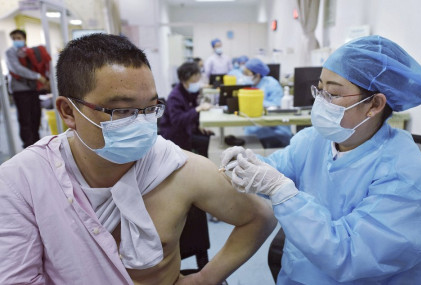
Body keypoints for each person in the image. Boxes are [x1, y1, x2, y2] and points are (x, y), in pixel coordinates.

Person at [0, 33, 277, 285]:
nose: (142, 124)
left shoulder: (176, 168)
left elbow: (260, 216)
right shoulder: (23, 181)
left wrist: (204, 279)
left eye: (151, 108)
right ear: (68, 112)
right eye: (121, 111)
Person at [221, 35, 421, 284]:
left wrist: (282, 192)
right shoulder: (314, 140)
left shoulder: (404, 175)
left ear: (374, 104)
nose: (320, 101)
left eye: (333, 94)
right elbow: (278, 169)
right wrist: (248, 165)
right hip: (308, 271)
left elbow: (350, 255)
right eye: (319, 89)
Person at [159, 61, 214, 157]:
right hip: (175, 136)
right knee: (208, 143)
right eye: (194, 82)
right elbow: (177, 121)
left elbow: (190, 113)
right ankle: (203, 167)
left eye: (198, 80)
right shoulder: (175, 97)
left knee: (211, 137)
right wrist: (198, 109)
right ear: (184, 81)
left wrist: (198, 128)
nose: (197, 84)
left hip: (186, 130)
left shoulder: (188, 92)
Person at [5, 29, 49, 148]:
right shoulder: (10, 52)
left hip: (33, 89)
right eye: (13, 38)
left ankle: (37, 143)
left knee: (36, 116)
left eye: (18, 38)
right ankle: (28, 146)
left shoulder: (29, 52)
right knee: (25, 119)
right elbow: (16, 69)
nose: (16, 40)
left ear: (24, 39)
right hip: (20, 90)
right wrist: (38, 76)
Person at [242, 58, 292, 148]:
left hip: (275, 131)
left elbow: (277, 106)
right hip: (255, 129)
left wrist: (255, 102)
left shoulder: (271, 84)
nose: (245, 76)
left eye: (248, 73)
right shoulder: (252, 85)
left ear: (257, 74)